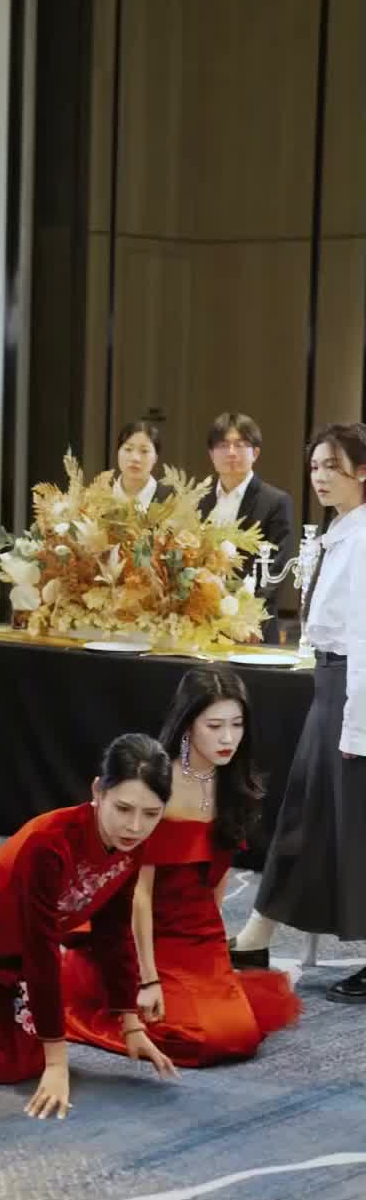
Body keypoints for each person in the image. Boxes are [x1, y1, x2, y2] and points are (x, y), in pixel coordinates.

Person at [0, 734, 177, 1120]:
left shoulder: (131, 845)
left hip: (10, 952)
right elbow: (42, 946)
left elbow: (113, 930)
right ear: (98, 792)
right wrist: (57, 1063)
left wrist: (130, 1023)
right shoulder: (50, 842)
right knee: (2, 1066)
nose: (134, 826)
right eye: (123, 808)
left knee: (28, 1056)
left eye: (151, 814)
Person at [63, 669, 300, 1064]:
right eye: (214, 726)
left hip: (199, 932)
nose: (228, 739)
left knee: (240, 1034)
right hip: (146, 931)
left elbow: (219, 874)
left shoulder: (232, 781)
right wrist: (147, 978)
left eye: (237, 725)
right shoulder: (161, 785)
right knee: (200, 1037)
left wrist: (213, 953)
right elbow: (138, 894)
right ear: (188, 725)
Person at [230, 424, 366, 1003]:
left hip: (353, 693)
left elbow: (364, 639)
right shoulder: (342, 530)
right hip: (330, 688)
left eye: (333, 465)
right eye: (315, 466)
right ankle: (255, 935)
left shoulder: (363, 537)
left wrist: (357, 725)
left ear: (362, 470)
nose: (320, 476)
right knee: (304, 815)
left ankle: (257, 935)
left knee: (353, 826)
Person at [198, 413, 293, 645]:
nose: (231, 452)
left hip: (252, 628)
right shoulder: (199, 500)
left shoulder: (275, 502)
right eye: (223, 445)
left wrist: (249, 617)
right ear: (211, 454)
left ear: (255, 453)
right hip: (202, 624)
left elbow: (277, 566)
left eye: (240, 445)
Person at [112, 420, 171, 511]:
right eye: (128, 449)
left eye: (144, 451)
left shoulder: (171, 501)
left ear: (155, 458)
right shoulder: (98, 495)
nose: (135, 458)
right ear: (118, 452)